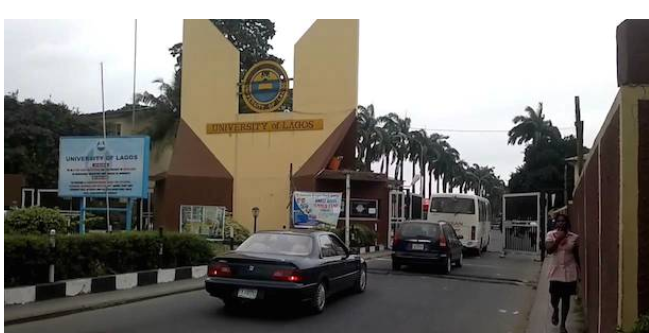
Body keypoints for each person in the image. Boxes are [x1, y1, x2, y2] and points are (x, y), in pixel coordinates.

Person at [545, 213, 580, 333]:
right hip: (555, 272)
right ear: (556, 223)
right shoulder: (550, 235)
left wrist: (579, 273)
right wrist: (558, 239)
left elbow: (576, 255)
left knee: (566, 299)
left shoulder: (574, 237)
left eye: (563, 221)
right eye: (559, 221)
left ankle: (563, 325)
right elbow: (549, 250)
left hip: (569, 272)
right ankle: (555, 310)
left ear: (567, 223)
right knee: (554, 298)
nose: (561, 223)